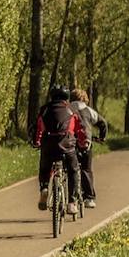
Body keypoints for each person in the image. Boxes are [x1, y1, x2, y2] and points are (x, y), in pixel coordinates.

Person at [33, 85, 86, 214]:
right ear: (67, 97)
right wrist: (82, 143)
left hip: (48, 145)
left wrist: (37, 142)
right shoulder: (71, 110)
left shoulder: (44, 110)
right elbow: (79, 129)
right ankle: (72, 203)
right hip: (67, 145)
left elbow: (39, 129)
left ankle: (44, 188)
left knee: (45, 167)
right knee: (73, 170)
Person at [69, 89, 108, 207]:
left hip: (70, 143)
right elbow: (103, 123)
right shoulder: (89, 110)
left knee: (71, 170)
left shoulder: (68, 109)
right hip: (86, 142)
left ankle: (71, 198)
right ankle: (89, 198)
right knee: (86, 169)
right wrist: (102, 138)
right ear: (84, 99)